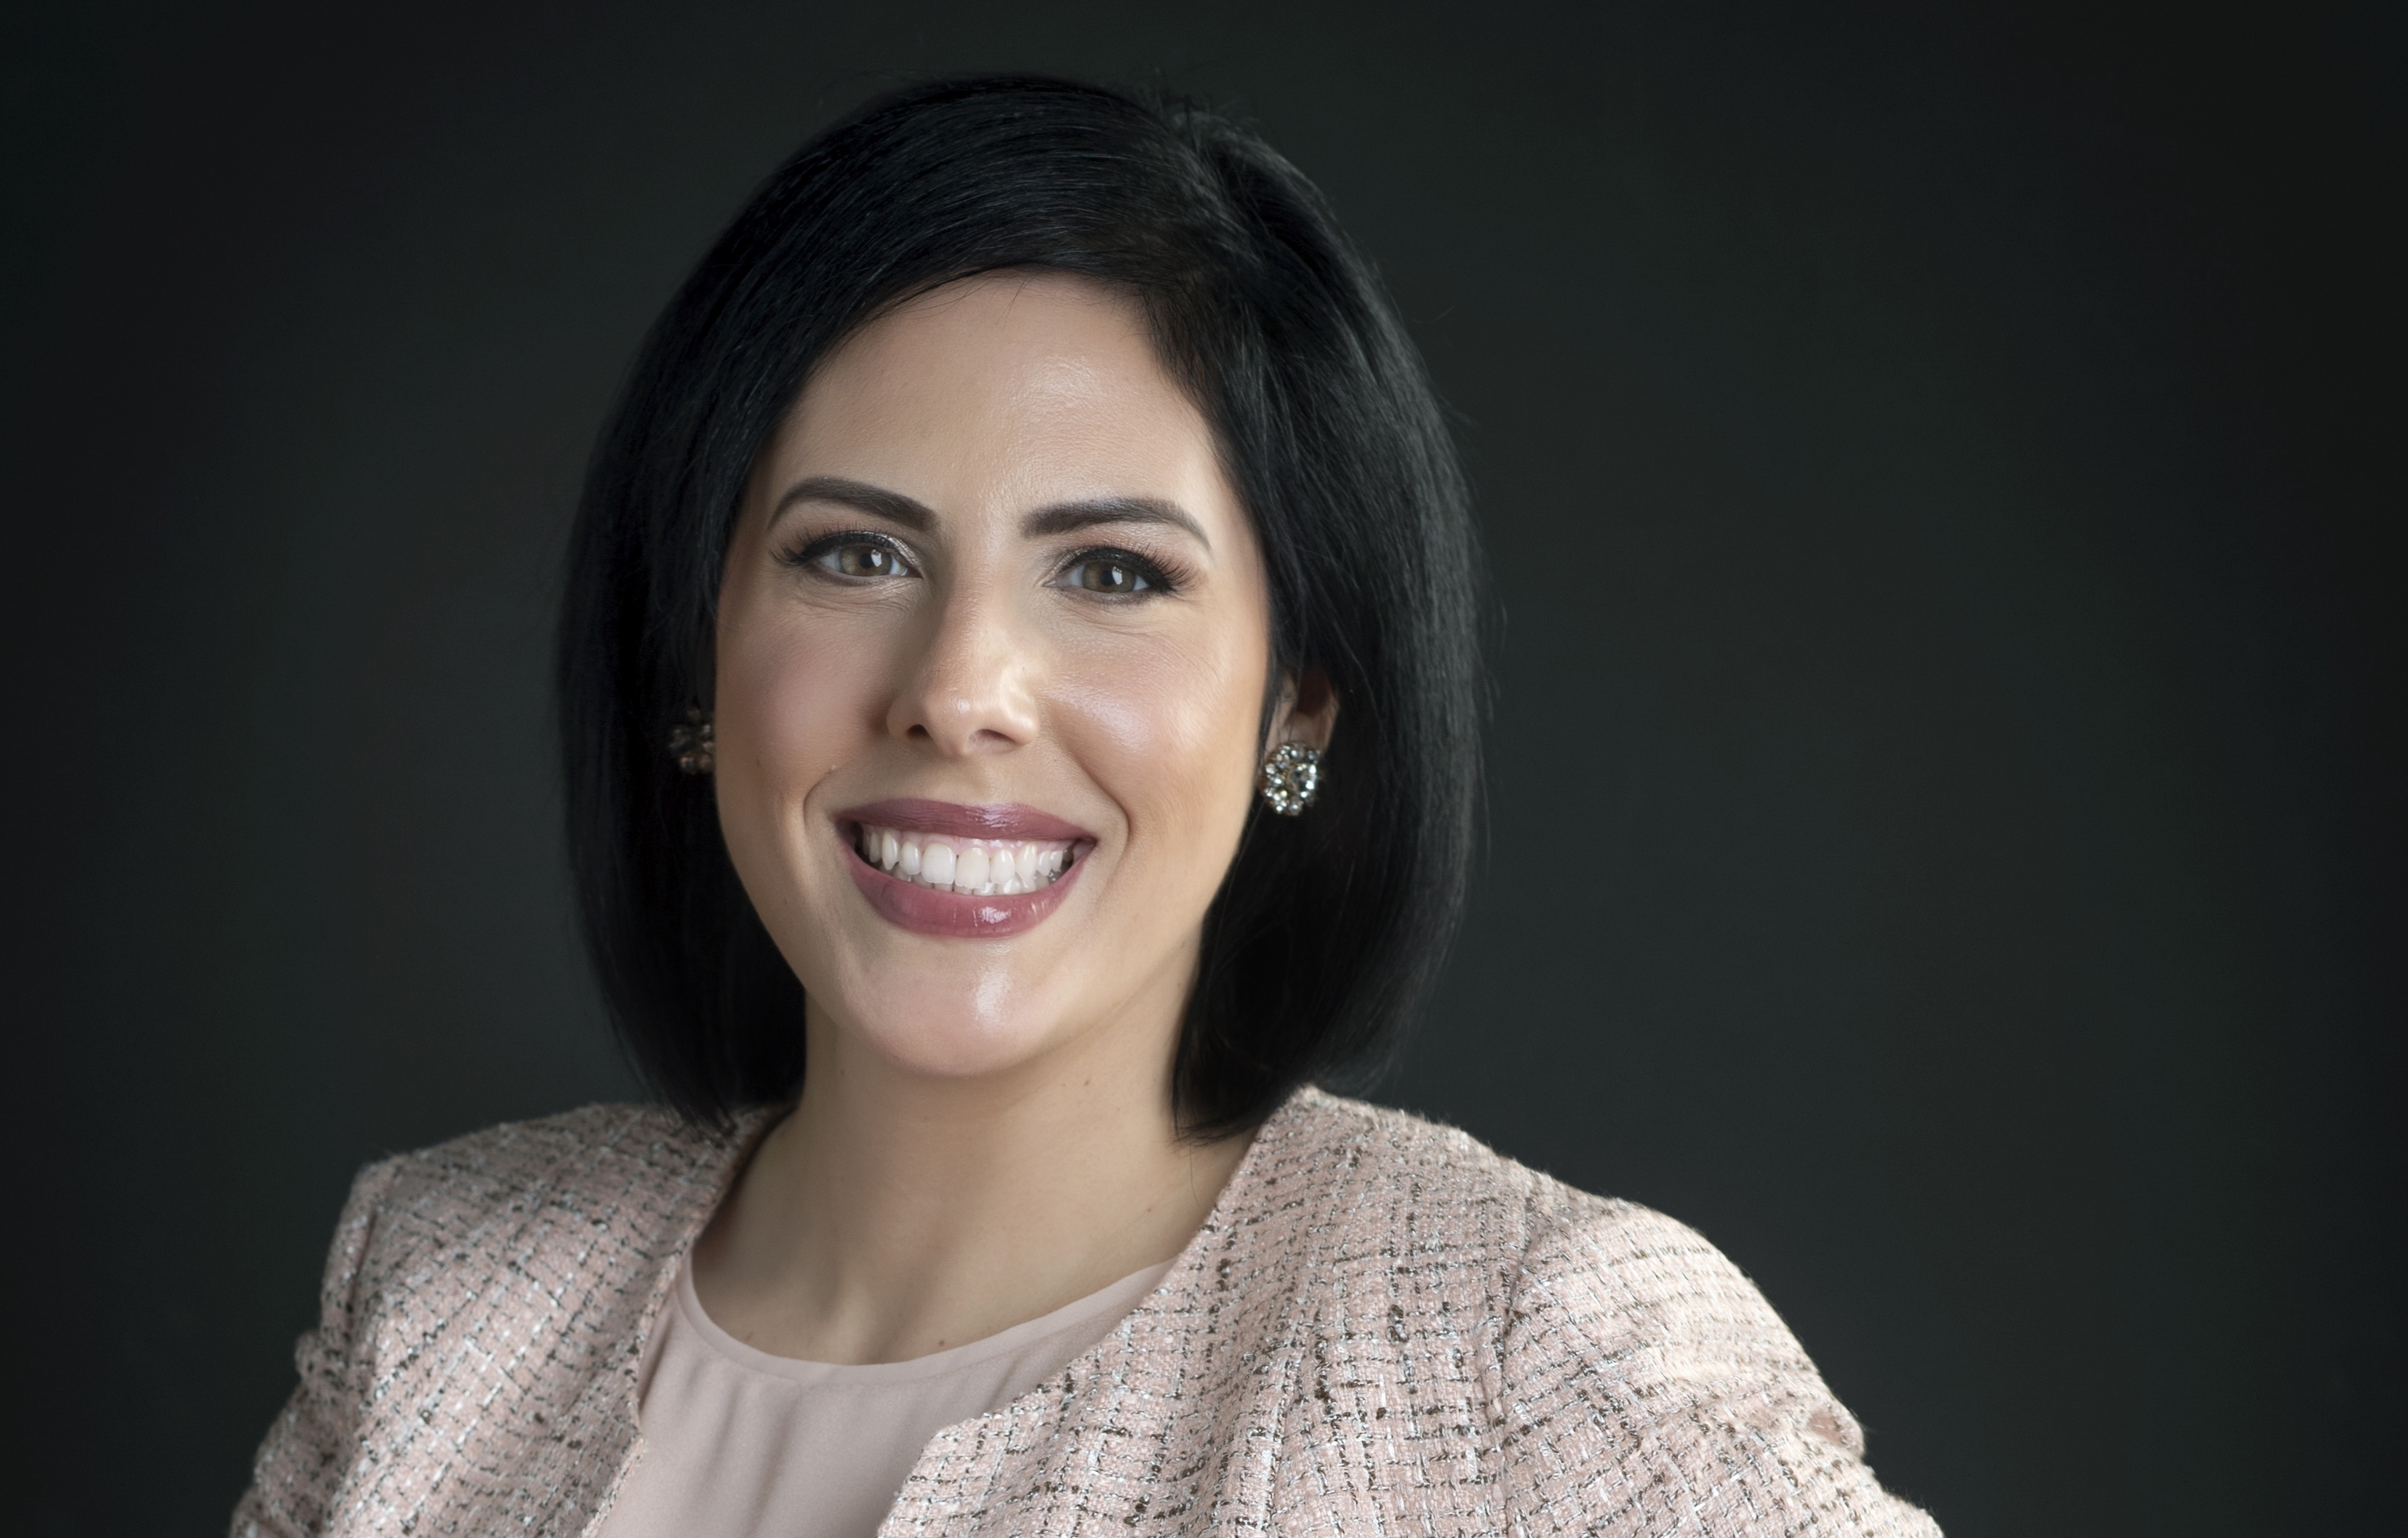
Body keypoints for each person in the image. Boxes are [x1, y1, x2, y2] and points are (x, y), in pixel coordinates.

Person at [233, 76, 1939, 1537]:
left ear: (1300, 702)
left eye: (1113, 570)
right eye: (855, 552)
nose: (961, 684)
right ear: (693, 652)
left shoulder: (1520, 1350)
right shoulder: (438, 1290)